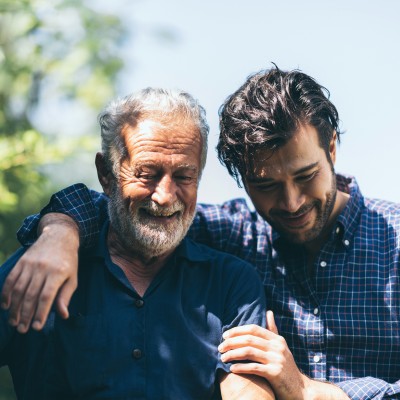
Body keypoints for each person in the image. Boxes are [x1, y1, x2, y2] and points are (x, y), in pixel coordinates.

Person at [3, 65, 400, 399]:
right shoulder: (235, 235)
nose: (292, 202)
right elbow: (123, 209)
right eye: (267, 185)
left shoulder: (394, 241)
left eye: (306, 175)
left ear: (331, 149)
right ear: (242, 181)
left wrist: (311, 391)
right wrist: (59, 231)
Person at [0, 88, 275, 399]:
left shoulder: (231, 282)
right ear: (106, 174)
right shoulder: (45, 262)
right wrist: (57, 230)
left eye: (185, 176)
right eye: (147, 174)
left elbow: (248, 392)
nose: (165, 196)